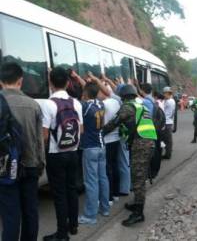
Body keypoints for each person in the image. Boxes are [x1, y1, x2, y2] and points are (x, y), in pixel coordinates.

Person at [0, 62, 45, 241]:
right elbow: (39, 140)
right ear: (21, 80)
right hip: (30, 164)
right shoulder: (33, 104)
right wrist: (41, 164)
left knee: (10, 216)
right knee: (30, 211)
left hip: (4, 168)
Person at [103, 85, 157, 227]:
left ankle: (139, 214)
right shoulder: (141, 106)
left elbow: (114, 123)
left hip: (141, 144)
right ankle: (137, 204)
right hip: (148, 142)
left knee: (138, 179)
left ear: (123, 96)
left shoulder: (127, 107)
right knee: (138, 176)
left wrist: (100, 132)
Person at [42, 67, 83, 241]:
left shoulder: (48, 104)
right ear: (68, 83)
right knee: (72, 189)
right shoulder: (76, 103)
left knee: (59, 194)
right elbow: (81, 130)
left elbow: (44, 135)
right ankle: (73, 226)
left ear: (50, 82)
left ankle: (61, 234)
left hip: (56, 154)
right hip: (73, 153)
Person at [78, 82, 110, 225]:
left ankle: (90, 216)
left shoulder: (84, 106)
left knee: (91, 182)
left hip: (90, 148)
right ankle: (105, 208)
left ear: (85, 93)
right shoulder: (100, 104)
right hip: (102, 146)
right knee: (103, 178)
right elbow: (92, 91)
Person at [161, 87, 176, 159]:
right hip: (169, 122)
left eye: (164, 93)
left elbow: (161, 108)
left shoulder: (168, 102)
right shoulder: (172, 100)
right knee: (168, 140)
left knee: (167, 140)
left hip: (166, 122)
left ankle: (168, 155)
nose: (163, 95)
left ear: (167, 93)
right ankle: (168, 153)